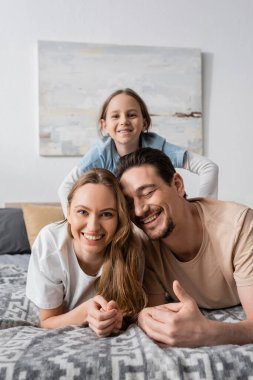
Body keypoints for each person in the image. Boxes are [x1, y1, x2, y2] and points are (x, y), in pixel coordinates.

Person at [116, 147, 253, 347]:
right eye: (129, 203)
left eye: (148, 193)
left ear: (178, 185)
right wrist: (143, 317)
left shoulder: (239, 225)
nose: (139, 210)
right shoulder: (143, 243)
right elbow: (155, 313)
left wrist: (209, 333)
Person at [58, 88, 219, 216]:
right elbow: (65, 188)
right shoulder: (100, 154)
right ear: (104, 125)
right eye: (115, 116)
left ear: (145, 123)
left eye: (132, 115)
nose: (124, 121)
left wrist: (204, 210)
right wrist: (71, 222)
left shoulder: (157, 147)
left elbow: (208, 167)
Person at [26, 168, 146, 336]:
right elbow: (47, 321)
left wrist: (118, 319)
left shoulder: (133, 245)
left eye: (106, 214)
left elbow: (132, 313)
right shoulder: (50, 243)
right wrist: (85, 313)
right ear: (68, 211)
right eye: (83, 212)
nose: (93, 227)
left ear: (119, 217)